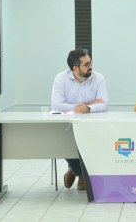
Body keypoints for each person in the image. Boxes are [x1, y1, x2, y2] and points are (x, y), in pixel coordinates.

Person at [51, 48, 109, 190]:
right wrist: (81, 107)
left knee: (93, 142)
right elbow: (56, 105)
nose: (91, 67)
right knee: (66, 140)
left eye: (90, 63)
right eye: (86, 65)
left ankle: (74, 170)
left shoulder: (98, 77)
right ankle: (79, 172)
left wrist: (88, 108)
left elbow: (104, 103)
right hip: (68, 125)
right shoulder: (61, 78)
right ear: (75, 68)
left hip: (93, 124)